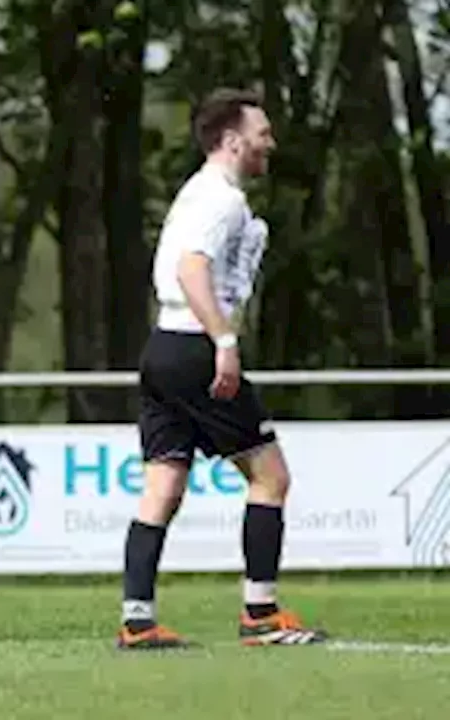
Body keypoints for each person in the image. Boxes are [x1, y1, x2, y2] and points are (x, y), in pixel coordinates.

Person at [119, 88, 327, 650]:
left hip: (162, 345)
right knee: (270, 476)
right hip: (192, 346)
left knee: (162, 484)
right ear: (233, 141)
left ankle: (137, 619)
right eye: (262, 134)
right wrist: (225, 341)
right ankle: (259, 613)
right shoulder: (221, 200)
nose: (270, 143)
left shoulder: (196, 193)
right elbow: (192, 270)